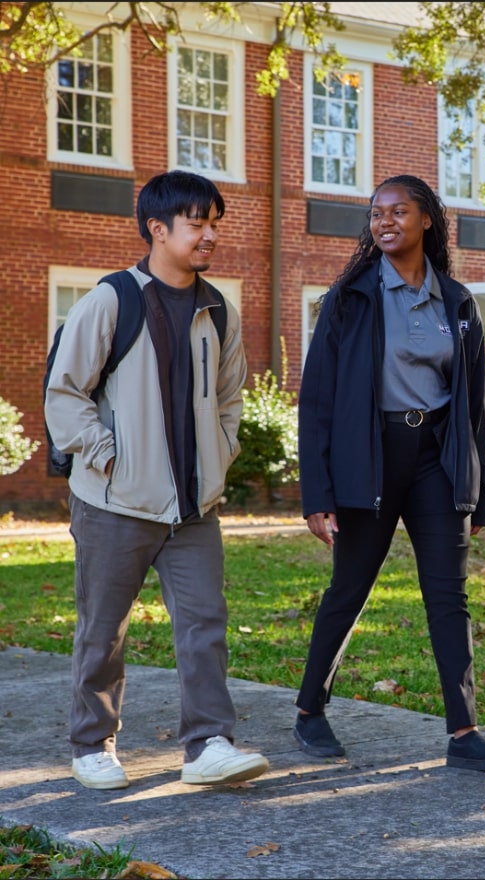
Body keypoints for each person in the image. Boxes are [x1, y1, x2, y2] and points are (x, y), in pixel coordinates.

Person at [44, 170, 269, 790]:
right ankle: (92, 744)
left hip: (193, 507)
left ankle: (208, 745)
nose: (210, 236)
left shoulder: (217, 309)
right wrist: (104, 454)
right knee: (103, 629)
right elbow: (65, 393)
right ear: (158, 228)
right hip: (115, 502)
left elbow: (230, 399)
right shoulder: (112, 300)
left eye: (213, 223)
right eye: (198, 224)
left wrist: (219, 456)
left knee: (205, 625)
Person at [293, 174, 485, 773]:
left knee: (448, 595)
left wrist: (482, 494)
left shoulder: (459, 302)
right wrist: (316, 493)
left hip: (437, 460)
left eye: (398, 210)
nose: (385, 221)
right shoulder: (349, 299)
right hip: (368, 458)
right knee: (351, 588)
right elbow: (316, 400)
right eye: (376, 213)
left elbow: (476, 405)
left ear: (427, 219)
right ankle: (310, 711)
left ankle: (465, 732)